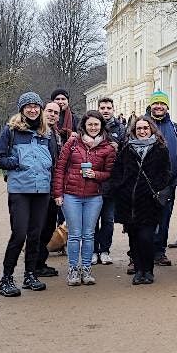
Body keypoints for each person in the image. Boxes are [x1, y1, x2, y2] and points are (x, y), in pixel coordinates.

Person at [0, 92, 58, 297]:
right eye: (28, 106)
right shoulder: (11, 131)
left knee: (35, 235)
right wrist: (17, 162)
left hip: (42, 191)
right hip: (20, 190)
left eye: (36, 106)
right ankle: (7, 278)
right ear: (22, 109)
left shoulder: (47, 133)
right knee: (19, 234)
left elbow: (54, 162)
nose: (32, 109)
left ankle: (30, 274)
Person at [53, 110, 117, 286]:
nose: (93, 127)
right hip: (71, 195)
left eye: (96, 124)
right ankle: (73, 269)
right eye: (90, 124)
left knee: (88, 235)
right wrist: (58, 193)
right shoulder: (72, 143)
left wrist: (95, 174)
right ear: (84, 126)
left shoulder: (108, 147)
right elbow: (60, 168)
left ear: (101, 126)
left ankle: (87, 268)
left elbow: (110, 174)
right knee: (74, 234)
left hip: (93, 196)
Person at [107, 117, 171, 285]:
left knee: (146, 237)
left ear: (151, 130)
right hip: (129, 201)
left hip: (149, 200)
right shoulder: (127, 148)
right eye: (139, 129)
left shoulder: (160, 149)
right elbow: (118, 171)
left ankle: (148, 270)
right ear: (134, 131)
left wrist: (157, 188)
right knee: (133, 238)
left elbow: (166, 173)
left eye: (145, 128)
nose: (142, 131)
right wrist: (120, 188)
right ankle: (138, 270)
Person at [146, 91, 177, 263]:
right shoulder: (142, 125)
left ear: (167, 106)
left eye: (162, 103)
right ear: (151, 105)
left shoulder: (175, 127)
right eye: (155, 103)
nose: (158, 106)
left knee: (164, 217)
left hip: (168, 181)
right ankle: (141, 252)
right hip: (146, 181)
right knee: (144, 218)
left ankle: (160, 251)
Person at [32, 101, 65, 278]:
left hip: (53, 188)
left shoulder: (55, 134)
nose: (52, 115)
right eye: (50, 111)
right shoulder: (37, 132)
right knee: (38, 228)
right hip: (39, 188)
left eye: (56, 113)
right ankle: (34, 266)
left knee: (47, 228)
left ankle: (40, 263)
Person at [94, 97, 126, 265]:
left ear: (113, 109)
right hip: (93, 183)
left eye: (108, 108)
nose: (105, 110)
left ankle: (105, 250)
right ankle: (93, 251)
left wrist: (118, 148)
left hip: (112, 183)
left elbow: (126, 154)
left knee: (108, 219)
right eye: (102, 107)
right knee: (92, 220)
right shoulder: (91, 127)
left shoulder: (120, 129)